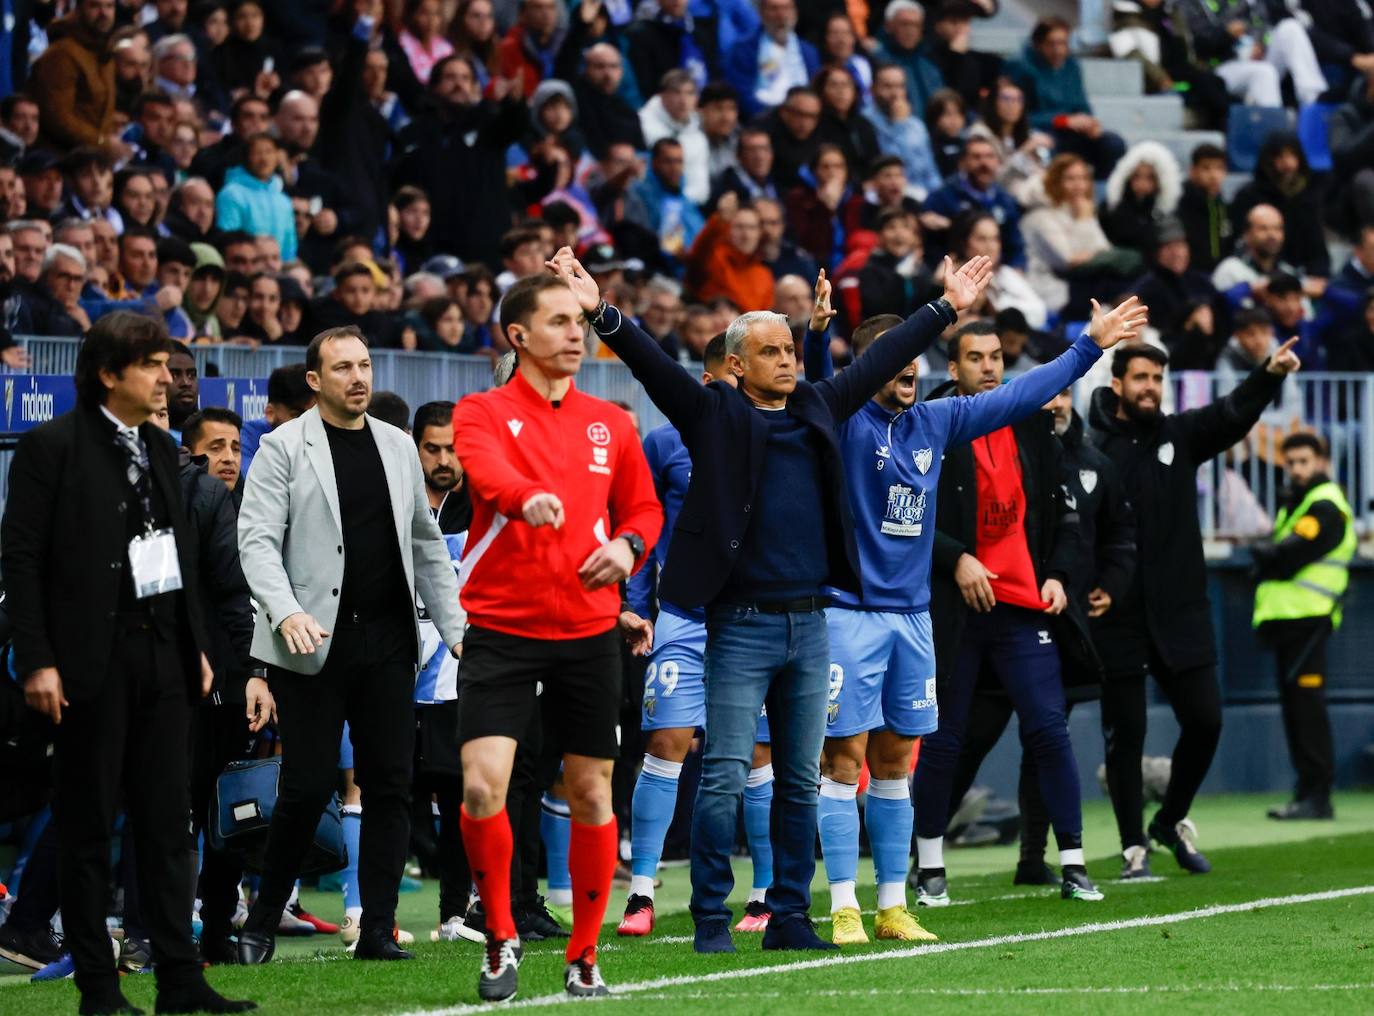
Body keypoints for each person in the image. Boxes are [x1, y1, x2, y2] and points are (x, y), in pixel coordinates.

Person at [560, 238, 993, 953]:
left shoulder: (819, 405)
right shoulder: (713, 415)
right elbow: (654, 367)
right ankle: (709, 918)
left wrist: (946, 307)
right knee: (726, 776)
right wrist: (602, 312)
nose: (789, 359)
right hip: (740, 626)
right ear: (735, 366)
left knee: (797, 779)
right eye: (771, 352)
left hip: (813, 621)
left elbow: (884, 357)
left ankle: (790, 916)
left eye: (791, 348)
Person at [807, 295, 1147, 939]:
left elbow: (1019, 397)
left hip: (913, 619)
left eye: (914, 358)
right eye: (895, 357)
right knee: (843, 760)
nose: (909, 368)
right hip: (851, 614)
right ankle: (843, 903)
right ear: (870, 367)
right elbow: (823, 383)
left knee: (895, 760)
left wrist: (1090, 345)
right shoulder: (844, 421)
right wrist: (818, 340)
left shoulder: (936, 421)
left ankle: (890, 907)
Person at [1, 311, 255, 1016]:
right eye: (150, 367)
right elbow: (20, 562)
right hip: (86, 664)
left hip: (163, 660)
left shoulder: (162, 446)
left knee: (169, 825)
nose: (168, 381)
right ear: (109, 374)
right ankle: (99, 988)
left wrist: (197, 647)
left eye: (169, 369)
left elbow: (175, 559)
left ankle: (180, 977)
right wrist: (38, 661)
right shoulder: (51, 448)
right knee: (88, 827)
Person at [449, 273, 662, 1001]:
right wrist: (522, 496)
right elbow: (485, 470)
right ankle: (501, 938)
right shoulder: (480, 411)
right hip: (501, 629)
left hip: (586, 628)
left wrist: (630, 549)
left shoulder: (612, 419)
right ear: (518, 336)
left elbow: (643, 508)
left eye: (582, 322)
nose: (578, 334)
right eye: (562, 322)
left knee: (592, 793)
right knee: (482, 788)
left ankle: (583, 957)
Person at [234, 325, 468, 966]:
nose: (359, 377)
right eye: (343, 368)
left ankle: (378, 930)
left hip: (390, 643)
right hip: (311, 647)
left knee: (393, 784)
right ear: (315, 381)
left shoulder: (397, 445)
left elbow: (426, 546)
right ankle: (259, 921)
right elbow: (255, 543)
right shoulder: (282, 448)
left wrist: (457, 631)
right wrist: (284, 614)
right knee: (307, 788)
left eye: (364, 364)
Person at [1088, 338, 1302, 877]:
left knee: (1206, 721)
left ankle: (1171, 818)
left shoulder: (1178, 435)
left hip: (1182, 609)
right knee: (1126, 733)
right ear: (1117, 384)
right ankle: (1133, 844)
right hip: (1120, 614)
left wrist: (1269, 373)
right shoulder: (1094, 451)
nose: (1150, 389)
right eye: (1141, 378)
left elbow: (1230, 417)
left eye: (1158, 380)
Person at [618, 330, 780, 940]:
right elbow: (643, 528)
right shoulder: (663, 444)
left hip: (753, 617)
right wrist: (640, 607)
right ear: (712, 382)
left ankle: (762, 894)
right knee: (665, 744)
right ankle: (640, 894)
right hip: (684, 616)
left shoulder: (774, 434)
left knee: (758, 756)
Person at [1250, 432, 1353, 822]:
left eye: (1303, 461)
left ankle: (1318, 795)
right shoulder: (1298, 504)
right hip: (1289, 620)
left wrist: (1268, 556)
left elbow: (1289, 553)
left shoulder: (1326, 505)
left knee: (1307, 710)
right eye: (1290, 462)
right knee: (1297, 709)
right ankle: (1307, 792)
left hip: (1309, 619)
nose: (1295, 469)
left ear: (1321, 461)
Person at [1006, 16, 1126, 180]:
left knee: (1113, 144)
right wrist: (1062, 121)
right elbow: (1020, 116)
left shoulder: (1072, 66)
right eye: (1051, 44)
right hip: (1042, 133)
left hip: (1073, 134)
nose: (1058, 50)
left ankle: (1096, 191)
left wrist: (1090, 124)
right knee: (1043, 150)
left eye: (1062, 43)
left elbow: (1082, 106)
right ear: (1038, 44)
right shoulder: (1021, 68)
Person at [30, 0, 118, 151]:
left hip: (93, 156)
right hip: (62, 157)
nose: (104, 13)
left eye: (109, 6)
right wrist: (102, 142)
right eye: (95, 6)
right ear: (78, 9)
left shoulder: (103, 51)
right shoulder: (62, 53)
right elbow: (57, 117)